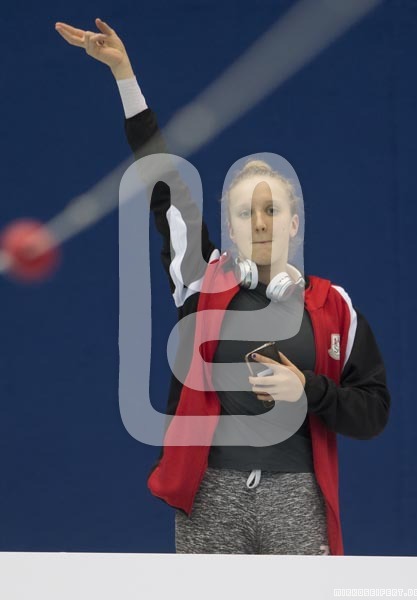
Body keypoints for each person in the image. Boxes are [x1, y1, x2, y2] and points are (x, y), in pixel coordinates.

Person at [55, 18, 391, 556]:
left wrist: (308, 390)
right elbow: (162, 181)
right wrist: (124, 76)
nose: (259, 223)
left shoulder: (336, 309)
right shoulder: (201, 282)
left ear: (294, 223)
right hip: (212, 503)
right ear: (229, 228)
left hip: (298, 505)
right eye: (244, 212)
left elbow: (373, 413)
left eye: (271, 210)